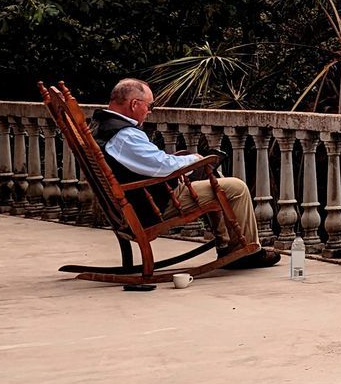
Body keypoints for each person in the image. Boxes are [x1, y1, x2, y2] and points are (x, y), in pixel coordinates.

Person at [90, 79, 281, 270]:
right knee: (236, 188)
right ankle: (246, 252)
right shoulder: (125, 136)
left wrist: (181, 164)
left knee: (213, 180)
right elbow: (161, 165)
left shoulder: (102, 126)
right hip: (155, 205)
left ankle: (227, 246)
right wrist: (193, 160)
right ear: (134, 104)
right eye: (150, 106)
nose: (149, 112)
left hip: (136, 202)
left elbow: (149, 163)